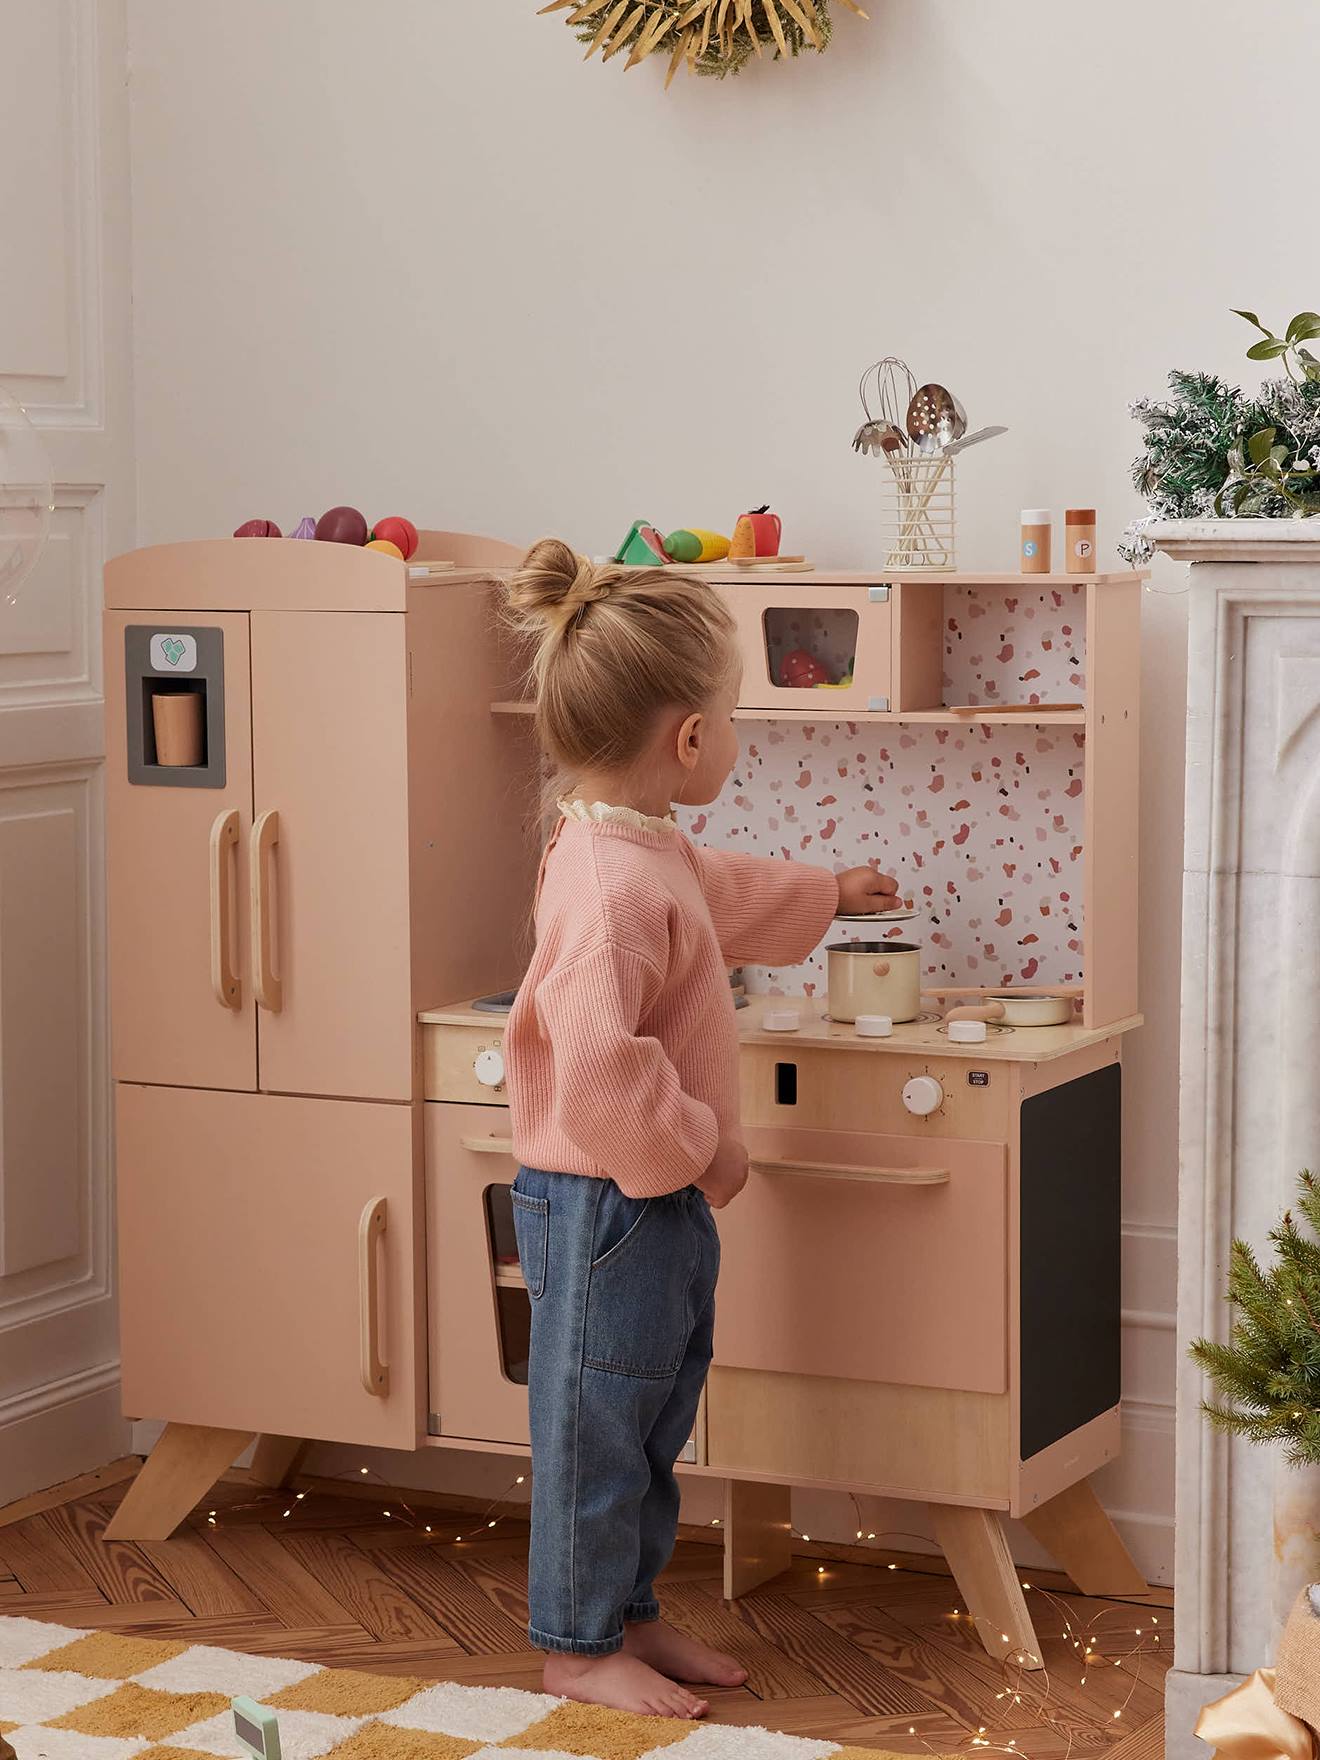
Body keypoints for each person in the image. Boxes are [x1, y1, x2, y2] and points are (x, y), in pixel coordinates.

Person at [503, 539, 899, 1717]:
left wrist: (831, 892)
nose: (735, 737)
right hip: (605, 1199)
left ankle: (625, 1610)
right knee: (595, 1421)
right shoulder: (608, 882)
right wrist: (708, 1149)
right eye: (730, 717)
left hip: (648, 1197)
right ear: (687, 738)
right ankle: (575, 1643)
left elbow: (718, 892)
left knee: (656, 1407)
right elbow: (599, 1065)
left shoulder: (648, 846)